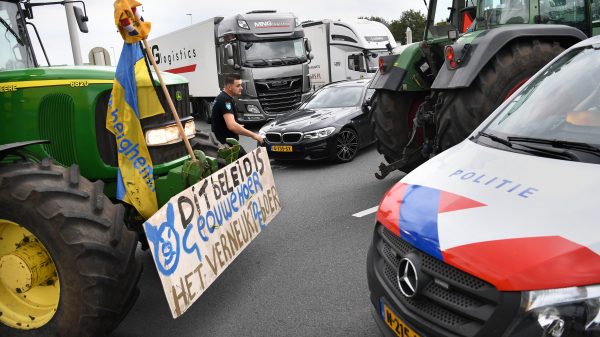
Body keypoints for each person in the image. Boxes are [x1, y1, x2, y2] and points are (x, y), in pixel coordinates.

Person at [211, 74, 264, 156]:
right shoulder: (225, 100)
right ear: (229, 87)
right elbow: (231, 126)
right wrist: (253, 135)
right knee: (249, 164)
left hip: (224, 143)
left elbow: (224, 121)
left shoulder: (223, 97)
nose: (241, 88)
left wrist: (237, 125)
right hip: (227, 146)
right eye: (238, 85)